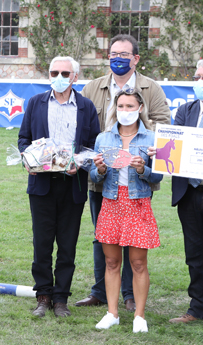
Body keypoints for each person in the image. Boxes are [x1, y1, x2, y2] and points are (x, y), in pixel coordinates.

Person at [76, 34, 171, 312]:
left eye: (123, 54)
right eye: (113, 54)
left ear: (135, 58)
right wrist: (97, 157)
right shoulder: (93, 87)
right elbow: (83, 126)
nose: (117, 58)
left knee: (134, 239)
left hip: (137, 179)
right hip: (103, 178)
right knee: (102, 236)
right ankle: (101, 292)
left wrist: (141, 143)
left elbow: (165, 125)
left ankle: (130, 295)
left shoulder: (150, 88)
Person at [18, 56, 100, 318]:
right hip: (41, 184)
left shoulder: (86, 107)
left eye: (66, 73)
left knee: (68, 244)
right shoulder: (36, 103)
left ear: (75, 76)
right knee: (42, 243)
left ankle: (61, 298)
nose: (60, 77)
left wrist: (82, 164)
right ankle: (43, 296)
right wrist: (29, 158)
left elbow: (92, 146)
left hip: (73, 185)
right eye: (55, 72)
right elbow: (23, 140)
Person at [90, 90, 162, 333]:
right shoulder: (103, 138)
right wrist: (99, 170)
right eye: (121, 106)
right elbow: (93, 175)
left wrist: (143, 169)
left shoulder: (152, 138)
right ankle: (112, 313)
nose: (125, 110)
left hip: (138, 203)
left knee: (138, 263)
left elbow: (159, 175)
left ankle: (139, 316)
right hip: (111, 203)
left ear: (140, 108)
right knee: (111, 261)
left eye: (130, 106)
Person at [168, 60, 203, 324]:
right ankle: (197, 308)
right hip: (189, 193)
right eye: (198, 76)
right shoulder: (185, 110)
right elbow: (175, 147)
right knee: (195, 253)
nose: (199, 81)